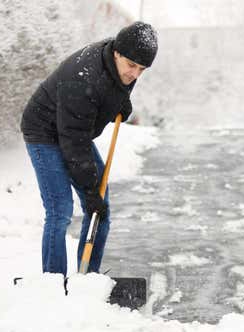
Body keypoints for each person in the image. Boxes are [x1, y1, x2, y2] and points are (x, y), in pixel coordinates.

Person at [20, 22, 158, 279]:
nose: (135, 74)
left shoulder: (121, 66)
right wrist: (89, 189)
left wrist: (121, 102)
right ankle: (52, 281)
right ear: (117, 52)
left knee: (100, 209)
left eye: (142, 69)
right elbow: (73, 142)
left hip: (74, 132)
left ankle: (87, 279)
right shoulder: (83, 76)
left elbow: (110, 90)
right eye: (132, 66)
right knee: (60, 209)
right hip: (44, 131)